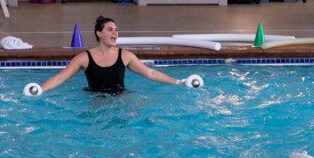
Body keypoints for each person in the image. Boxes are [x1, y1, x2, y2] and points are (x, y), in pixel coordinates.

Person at [29, 16, 192, 94]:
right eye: (110, 29)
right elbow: (60, 78)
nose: (115, 32)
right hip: (95, 102)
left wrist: (178, 82)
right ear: (99, 33)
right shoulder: (84, 58)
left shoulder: (125, 55)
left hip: (121, 100)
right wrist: (39, 90)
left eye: (116, 30)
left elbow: (149, 72)